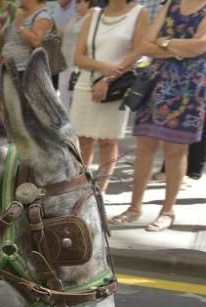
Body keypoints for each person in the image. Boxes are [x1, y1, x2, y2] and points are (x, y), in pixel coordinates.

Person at [110, 0, 206, 231]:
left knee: (176, 150)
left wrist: (163, 43)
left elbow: (200, 46)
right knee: (145, 147)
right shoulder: (171, 4)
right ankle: (134, 208)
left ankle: (167, 211)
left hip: (189, 88)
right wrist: (179, 47)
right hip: (156, 82)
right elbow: (144, 45)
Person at [71, 0, 148, 193]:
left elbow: (139, 53)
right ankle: (80, 188)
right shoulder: (94, 15)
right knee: (82, 140)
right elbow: (78, 57)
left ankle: (100, 191)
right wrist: (103, 68)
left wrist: (107, 79)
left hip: (117, 86)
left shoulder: (139, 12)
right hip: (86, 83)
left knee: (108, 140)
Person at [1, 0, 54, 73]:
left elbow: (35, 41)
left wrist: (20, 27)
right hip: (10, 68)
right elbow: (9, 40)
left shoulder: (42, 16)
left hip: (27, 71)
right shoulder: (20, 14)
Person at [59, 0, 93, 109]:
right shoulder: (75, 18)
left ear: (88, 3)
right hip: (65, 63)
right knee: (63, 95)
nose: (76, 5)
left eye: (79, 2)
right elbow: (64, 32)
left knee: (74, 97)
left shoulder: (92, 17)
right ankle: (65, 123)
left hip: (78, 66)